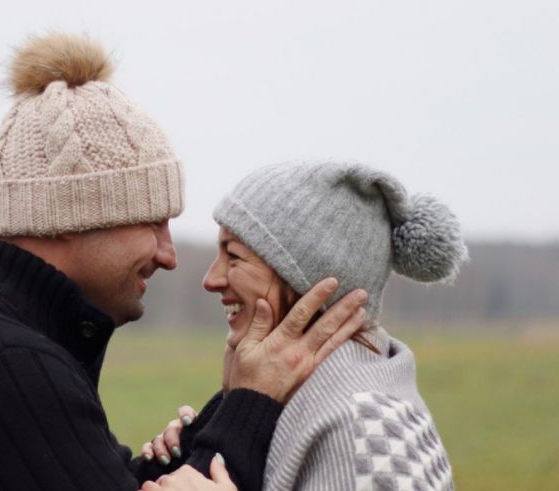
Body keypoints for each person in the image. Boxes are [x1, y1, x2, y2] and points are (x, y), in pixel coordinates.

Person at [0, 34, 368, 491]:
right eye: (152, 221)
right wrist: (254, 400)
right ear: (69, 216)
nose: (169, 254)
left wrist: (216, 418)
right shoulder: (5, 362)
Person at [141, 163, 466, 491]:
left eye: (234, 256)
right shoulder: (299, 396)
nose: (211, 279)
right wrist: (210, 427)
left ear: (309, 282)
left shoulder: (366, 430)